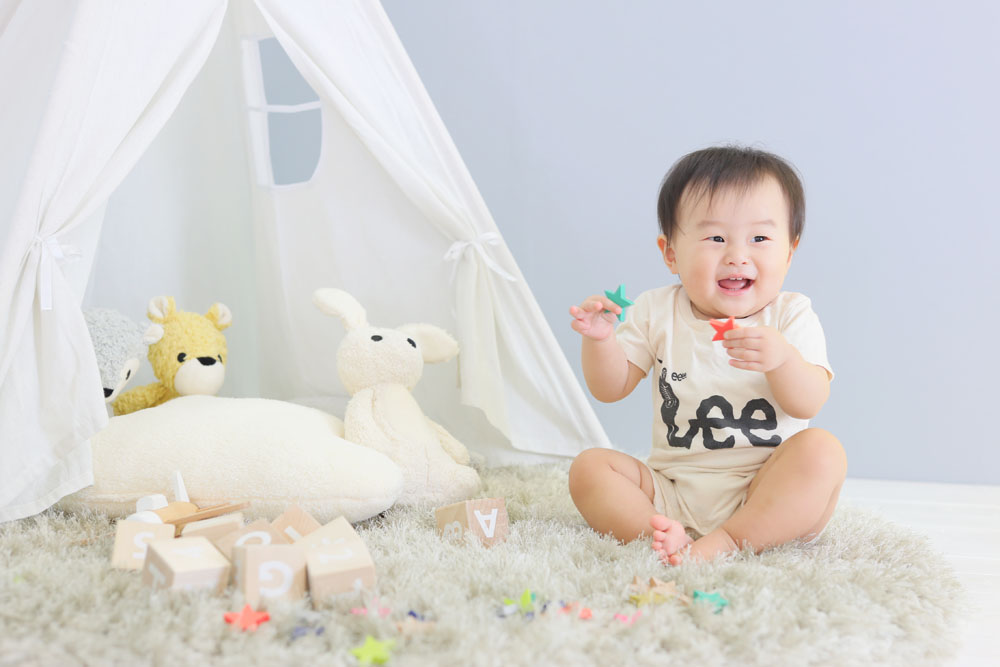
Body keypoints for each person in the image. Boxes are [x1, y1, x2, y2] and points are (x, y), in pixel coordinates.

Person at [568, 146, 846, 565]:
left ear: (789, 253)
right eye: (716, 238)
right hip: (672, 489)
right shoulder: (656, 310)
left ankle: (728, 542)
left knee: (822, 452)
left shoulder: (791, 315)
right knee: (589, 468)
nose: (737, 255)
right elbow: (610, 388)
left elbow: (809, 402)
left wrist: (783, 360)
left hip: (764, 491)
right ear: (671, 253)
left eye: (759, 239)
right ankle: (662, 535)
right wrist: (600, 340)